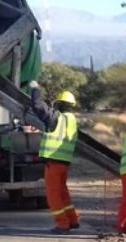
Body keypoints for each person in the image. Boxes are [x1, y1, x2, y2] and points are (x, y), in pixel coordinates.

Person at [29, 80, 80, 234]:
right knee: (63, 192)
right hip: (64, 162)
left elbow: (39, 107)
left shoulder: (56, 118)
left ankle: (62, 224)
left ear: (60, 104)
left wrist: (35, 89)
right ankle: (73, 220)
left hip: (54, 161)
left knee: (53, 195)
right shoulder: (72, 120)